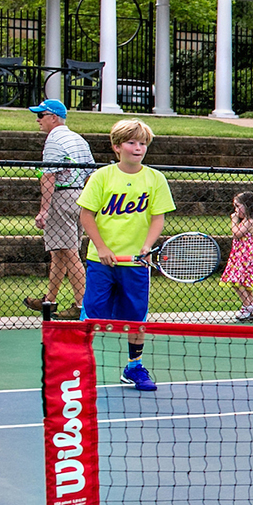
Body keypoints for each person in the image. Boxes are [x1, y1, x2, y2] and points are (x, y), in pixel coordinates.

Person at [77, 119, 175, 392]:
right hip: (102, 263)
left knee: (136, 320)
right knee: (91, 318)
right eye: (131, 142)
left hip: (135, 265)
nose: (138, 148)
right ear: (117, 146)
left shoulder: (155, 179)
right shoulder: (102, 177)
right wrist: (103, 248)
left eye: (142, 143)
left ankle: (134, 367)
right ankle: (81, 367)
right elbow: (87, 215)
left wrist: (146, 246)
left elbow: (157, 218)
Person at [24, 97, 94, 319]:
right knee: (60, 251)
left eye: (41, 115)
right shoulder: (79, 139)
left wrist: (44, 209)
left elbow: (48, 175)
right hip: (79, 198)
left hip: (62, 197)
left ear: (53, 117)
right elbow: (91, 174)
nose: (38, 120)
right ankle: (49, 299)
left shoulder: (54, 139)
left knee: (69, 251)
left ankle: (82, 305)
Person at [222, 190, 253, 322]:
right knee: (242, 282)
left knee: (235, 281)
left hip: (246, 257)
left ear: (247, 206)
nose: (236, 210)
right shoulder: (245, 221)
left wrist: (233, 221)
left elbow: (236, 233)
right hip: (239, 256)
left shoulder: (249, 221)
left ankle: (247, 307)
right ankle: (251, 307)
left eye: (238, 206)